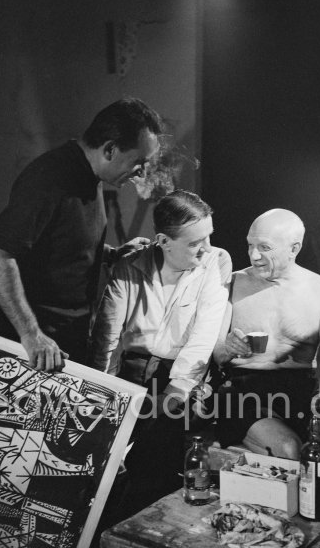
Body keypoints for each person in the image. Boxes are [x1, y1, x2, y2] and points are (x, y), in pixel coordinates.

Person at [213, 208, 320, 548]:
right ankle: (301, 540)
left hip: (302, 392)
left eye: (264, 247)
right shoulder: (233, 283)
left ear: (294, 247)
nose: (253, 255)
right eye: (250, 245)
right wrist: (227, 348)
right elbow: (214, 355)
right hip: (242, 392)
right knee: (291, 452)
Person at [0, 98, 163, 372]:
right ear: (110, 149)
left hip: (65, 334)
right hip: (33, 341)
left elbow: (59, 242)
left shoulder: (91, 176)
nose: (142, 172)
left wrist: (111, 254)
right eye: (139, 162)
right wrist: (31, 335)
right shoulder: (49, 178)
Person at [90, 189, 232, 520]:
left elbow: (203, 335)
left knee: (153, 458)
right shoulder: (129, 267)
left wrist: (176, 392)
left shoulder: (214, 262)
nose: (207, 248)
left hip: (181, 373)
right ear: (163, 241)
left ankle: (143, 525)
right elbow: (107, 336)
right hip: (133, 370)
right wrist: (102, 392)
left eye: (208, 236)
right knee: (106, 458)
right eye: (195, 242)